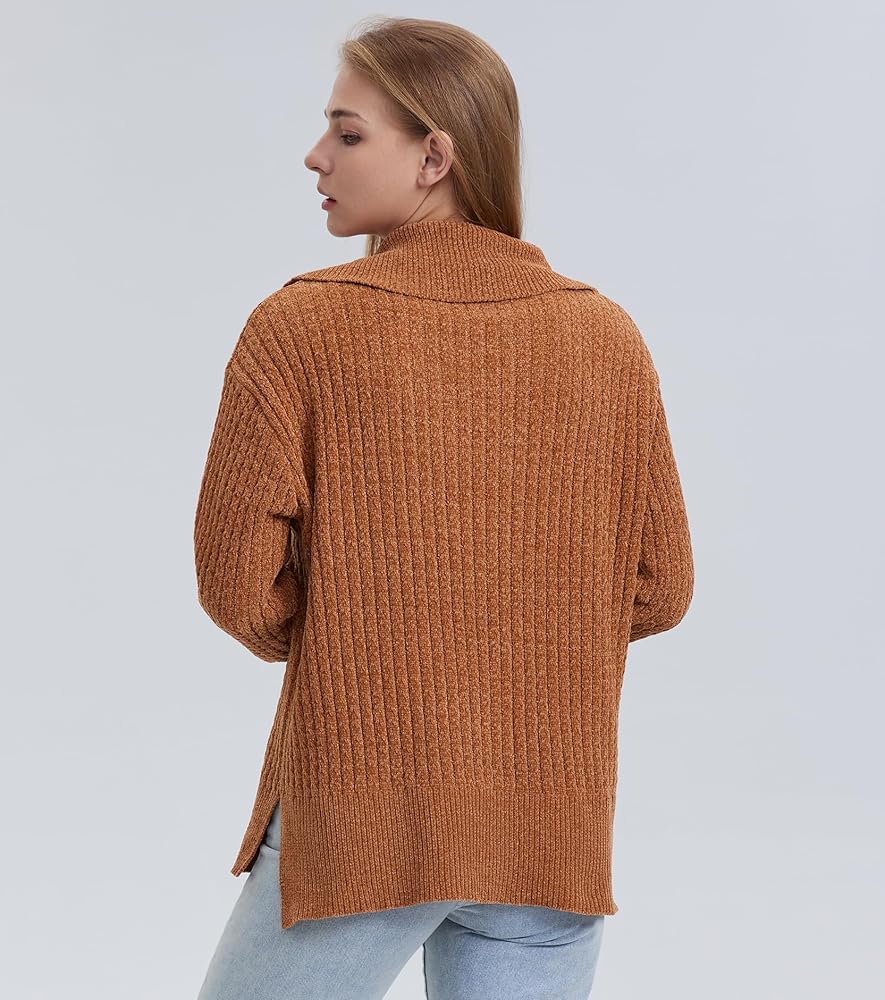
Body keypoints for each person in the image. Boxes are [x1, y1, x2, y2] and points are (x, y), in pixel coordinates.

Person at [193, 15, 694, 1000]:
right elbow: (660, 587)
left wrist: (361, 644)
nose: (315, 155)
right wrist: (523, 645)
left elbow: (239, 587)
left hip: (365, 814)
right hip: (548, 827)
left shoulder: (301, 327)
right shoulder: (606, 336)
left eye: (346, 132)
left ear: (435, 156)